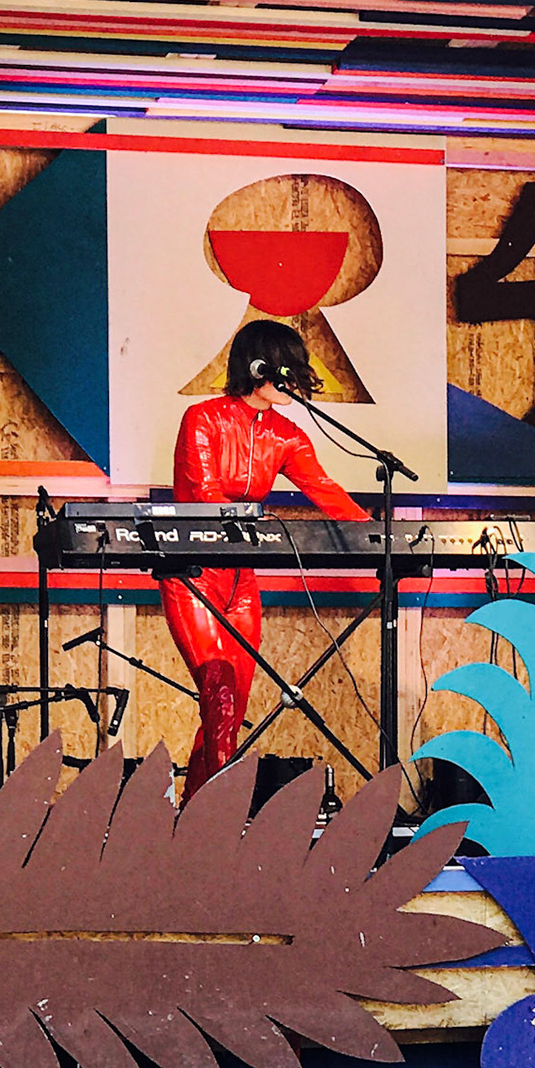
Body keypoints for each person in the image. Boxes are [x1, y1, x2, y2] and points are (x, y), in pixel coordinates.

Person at [167, 320, 369, 801]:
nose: (295, 382)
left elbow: (325, 490)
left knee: (230, 706)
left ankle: (194, 814)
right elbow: (206, 494)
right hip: (193, 575)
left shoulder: (286, 435)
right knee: (218, 691)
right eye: (287, 370)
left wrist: (377, 531)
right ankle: (214, 817)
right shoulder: (202, 419)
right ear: (258, 368)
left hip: (241, 580)